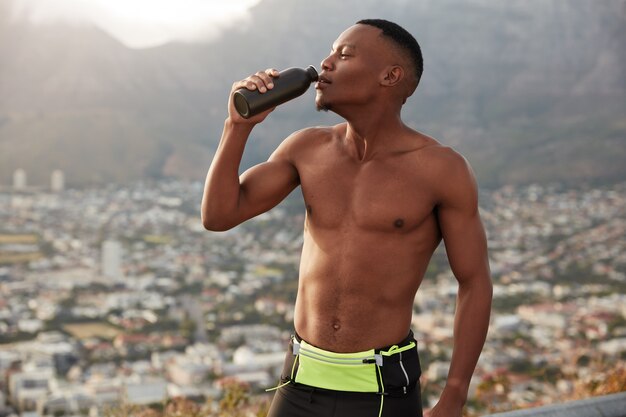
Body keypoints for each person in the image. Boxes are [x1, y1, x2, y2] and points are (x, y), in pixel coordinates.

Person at [202, 18, 492, 417]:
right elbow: (218, 215)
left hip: (384, 389)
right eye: (330, 51)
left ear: (390, 76)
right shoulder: (306, 148)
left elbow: (474, 282)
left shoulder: (442, 170)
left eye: (344, 54)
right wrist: (236, 127)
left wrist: (454, 396)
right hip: (299, 381)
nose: (325, 63)